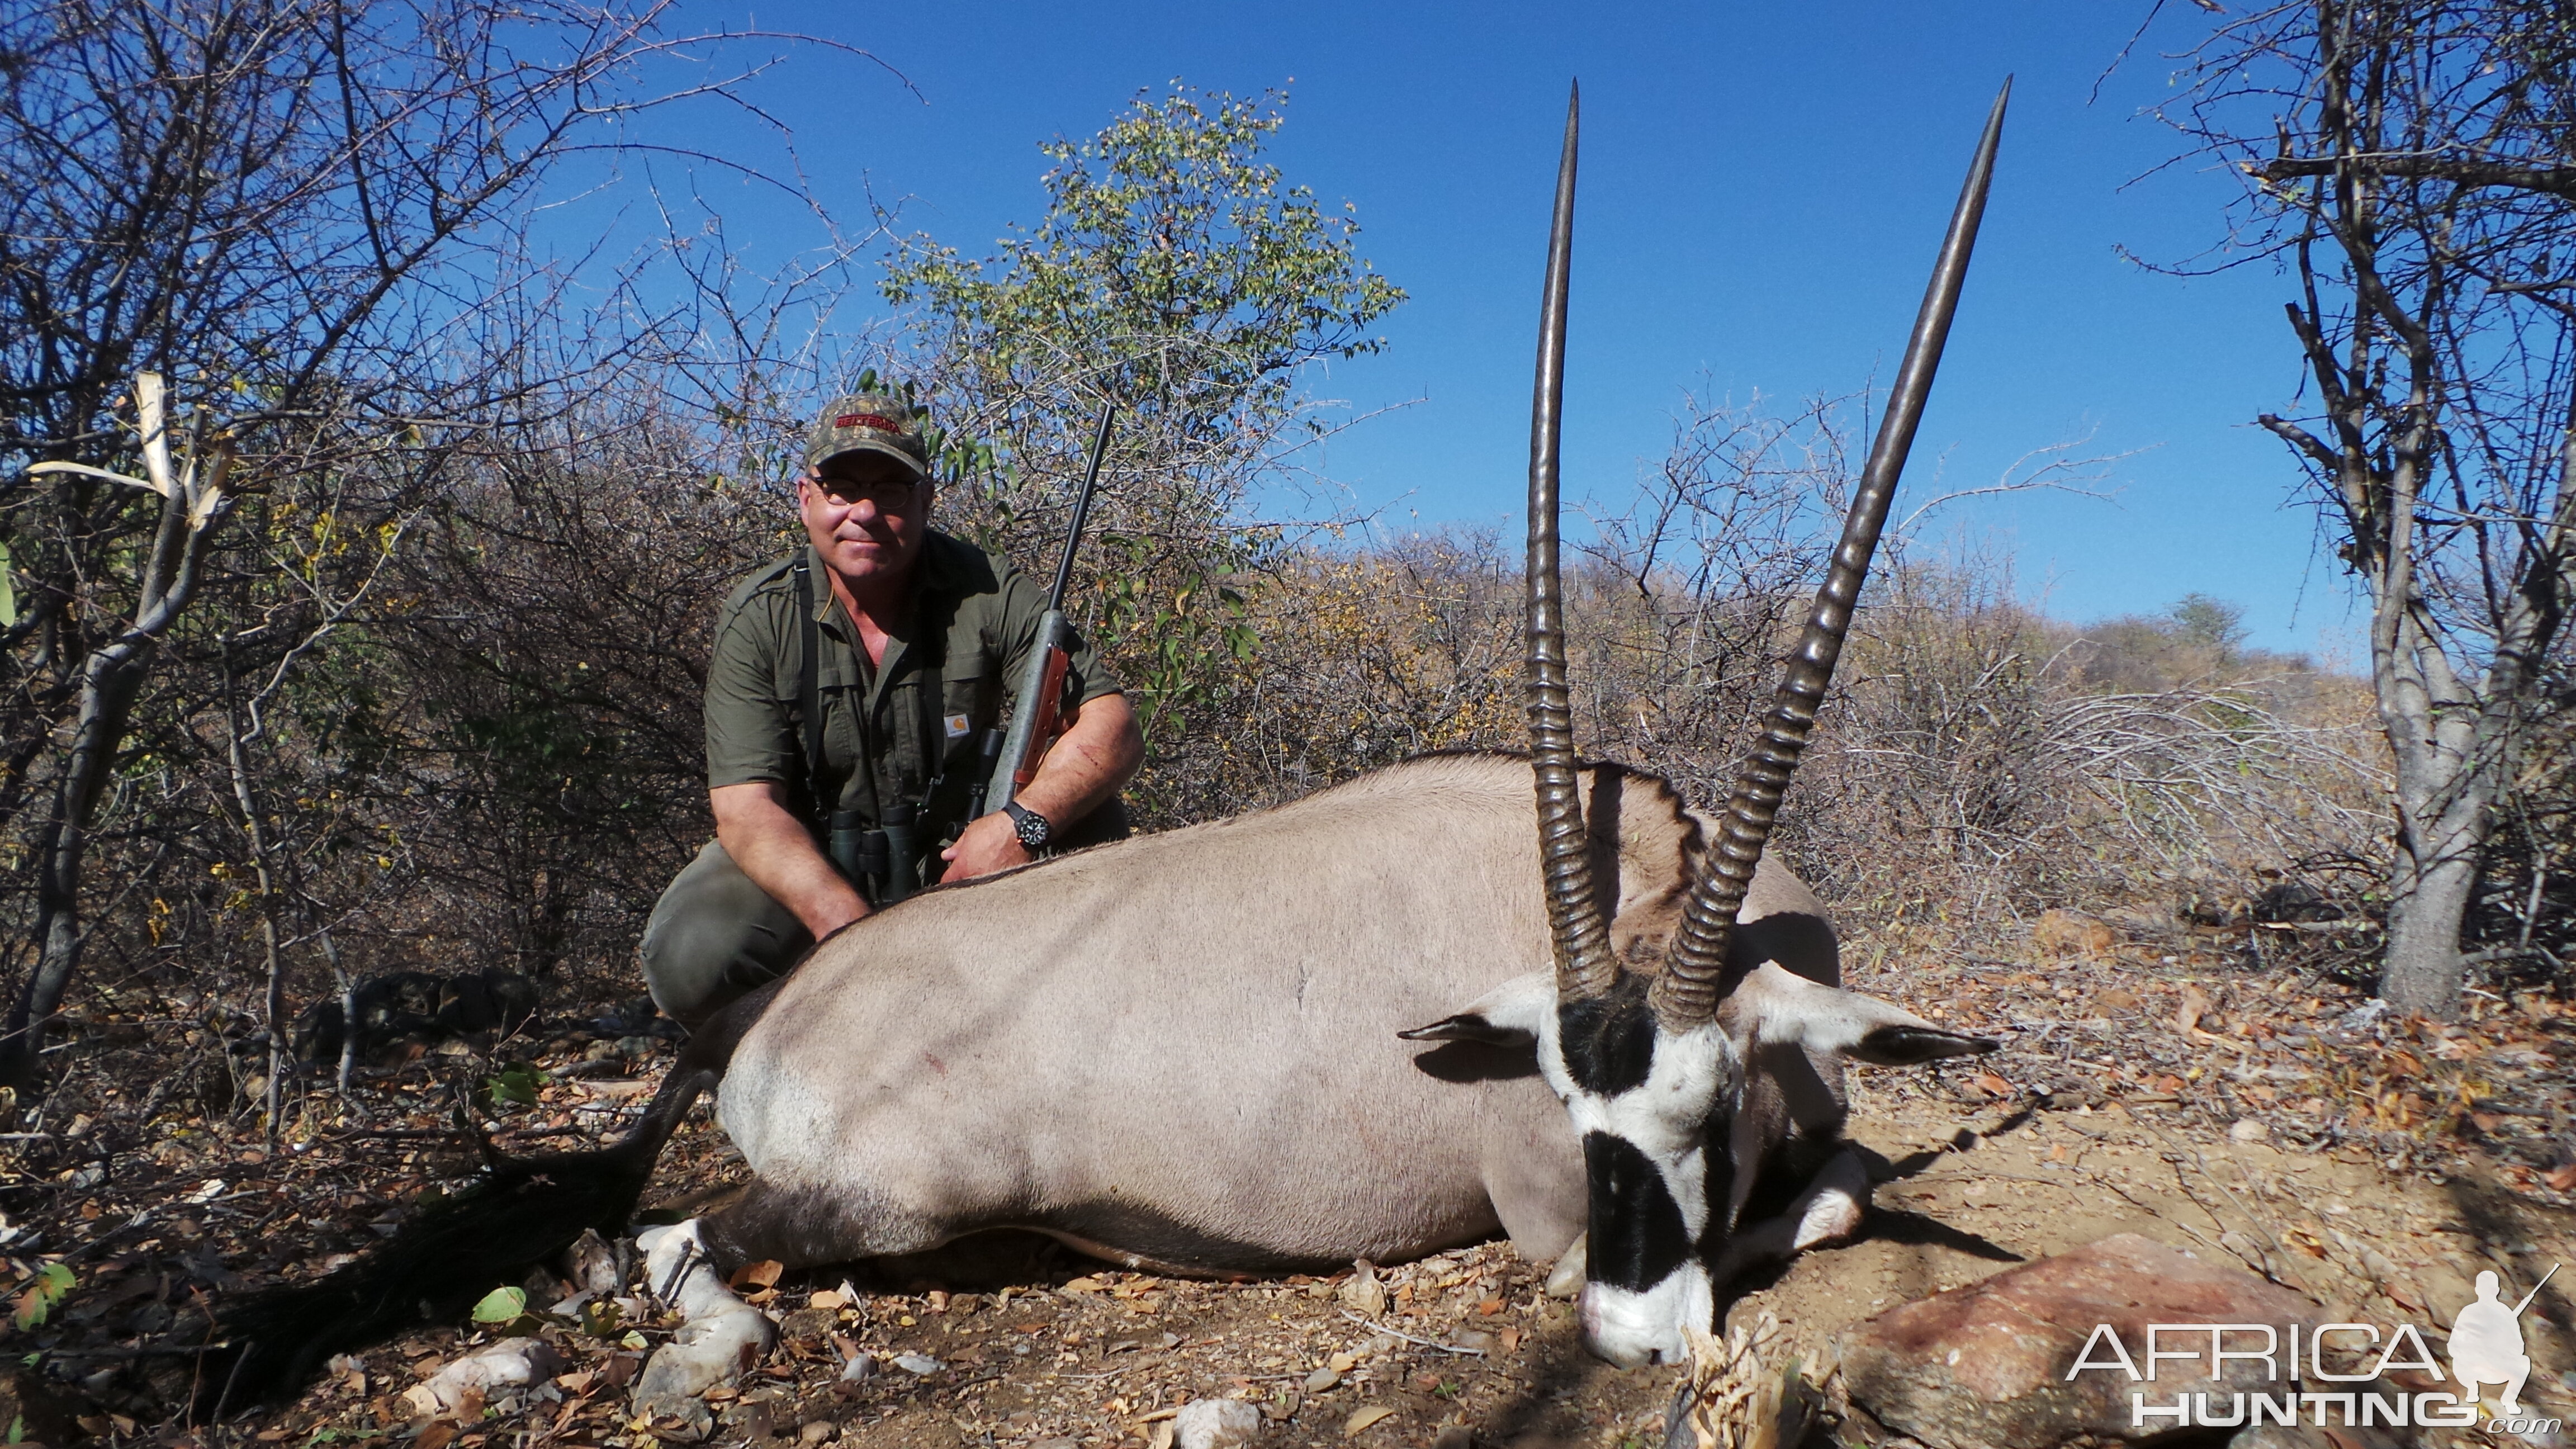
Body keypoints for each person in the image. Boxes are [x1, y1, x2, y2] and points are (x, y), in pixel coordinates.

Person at [640, 394, 1145, 1026]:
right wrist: (850, 932)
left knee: (1095, 830)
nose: (865, 512)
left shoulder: (989, 589)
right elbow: (746, 812)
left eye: (891, 489)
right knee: (691, 955)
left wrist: (1019, 826)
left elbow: (1111, 726)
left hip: (965, 860)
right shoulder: (760, 617)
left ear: (926, 501)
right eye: (842, 488)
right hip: (821, 865)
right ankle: (807, 1061)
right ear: (805, 499)